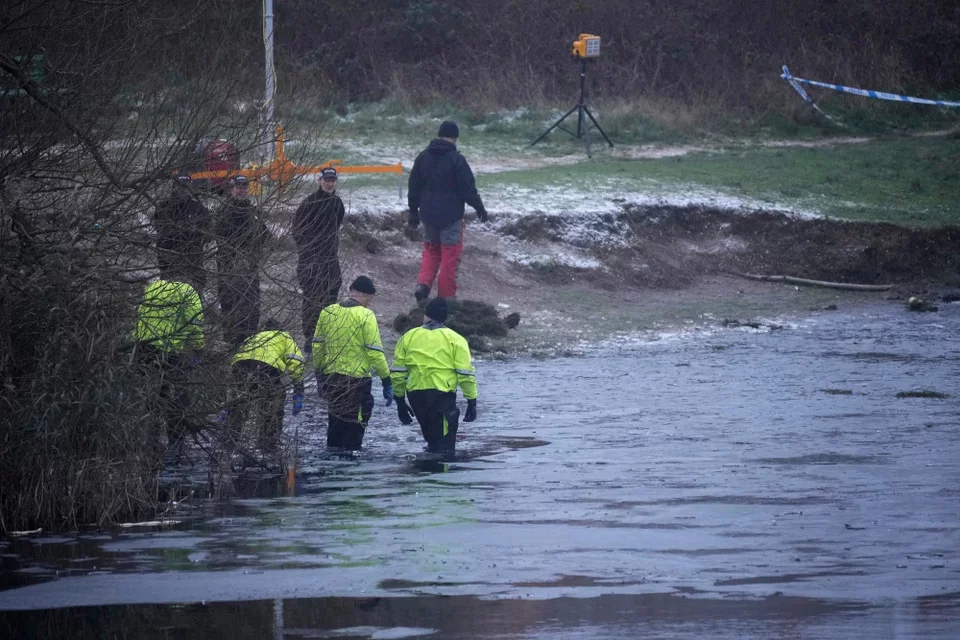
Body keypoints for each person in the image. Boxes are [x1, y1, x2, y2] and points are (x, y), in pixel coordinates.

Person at [407, 120, 488, 303]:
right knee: (449, 258)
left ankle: (423, 285)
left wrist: (413, 212)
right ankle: (446, 299)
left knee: (431, 251)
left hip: (428, 215)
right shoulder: (456, 160)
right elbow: (467, 189)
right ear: (455, 138)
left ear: (439, 135)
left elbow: (413, 187)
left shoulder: (423, 157)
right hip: (451, 217)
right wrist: (479, 207)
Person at [312, 276, 393, 450]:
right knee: (355, 428)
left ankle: (332, 464)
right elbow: (375, 352)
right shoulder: (365, 315)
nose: (369, 303)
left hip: (332, 379)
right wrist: (387, 380)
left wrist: (320, 375)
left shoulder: (328, 312)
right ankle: (350, 465)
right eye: (370, 299)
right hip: (357, 382)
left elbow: (317, 347)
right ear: (364, 294)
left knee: (334, 425)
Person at [390, 297, 477, 452]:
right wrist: (471, 401)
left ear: (426, 315)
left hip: (416, 397)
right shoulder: (456, 339)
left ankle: (425, 472)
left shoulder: (409, 337)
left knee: (431, 441)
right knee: (444, 448)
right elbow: (465, 375)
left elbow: (398, 373)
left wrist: (400, 401)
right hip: (442, 397)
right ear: (445, 317)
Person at [131, 278, 205, 446]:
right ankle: (176, 440)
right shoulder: (188, 291)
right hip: (169, 351)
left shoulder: (153, 286)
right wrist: (198, 348)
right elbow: (194, 324)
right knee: (179, 395)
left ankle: (149, 439)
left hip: (143, 348)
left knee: (150, 395)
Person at [226, 320, 305, 450]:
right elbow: (296, 363)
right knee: (272, 404)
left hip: (240, 366)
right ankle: (267, 442)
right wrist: (298, 388)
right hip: (266, 367)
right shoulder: (284, 337)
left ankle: (229, 439)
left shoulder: (254, 337)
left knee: (238, 405)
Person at [292, 167, 346, 351]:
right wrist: (310, 251)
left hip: (330, 257)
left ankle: (327, 333)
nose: (329, 183)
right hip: (311, 259)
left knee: (332, 291)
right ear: (319, 180)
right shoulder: (309, 203)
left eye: (332, 180)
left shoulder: (338, 203)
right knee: (312, 296)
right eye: (326, 180)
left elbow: (336, 226)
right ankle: (310, 337)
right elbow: (297, 231)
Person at [216, 175, 270, 347]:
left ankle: (249, 342)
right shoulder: (223, 212)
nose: (242, 190)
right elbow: (217, 236)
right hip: (228, 268)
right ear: (231, 189)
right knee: (229, 306)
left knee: (252, 307)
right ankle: (231, 343)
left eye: (244, 187)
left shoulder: (254, 212)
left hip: (250, 269)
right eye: (238, 187)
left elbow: (266, 237)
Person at [153, 175, 211, 293]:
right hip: (170, 266)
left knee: (193, 304)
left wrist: (197, 233)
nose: (183, 189)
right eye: (180, 186)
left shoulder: (199, 209)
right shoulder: (164, 208)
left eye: (186, 186)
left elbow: (208, 235)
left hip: (193, 266)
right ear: (174, 187)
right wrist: (185, 230)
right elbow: (162, 232)